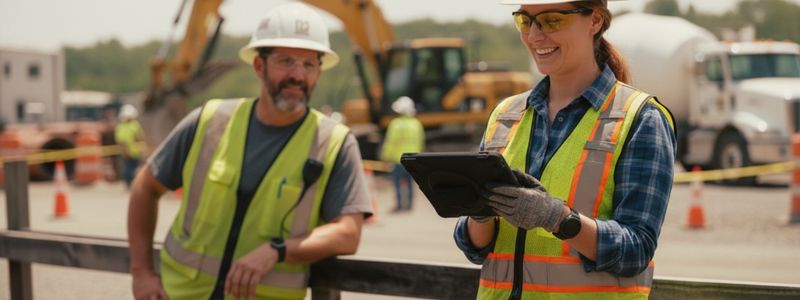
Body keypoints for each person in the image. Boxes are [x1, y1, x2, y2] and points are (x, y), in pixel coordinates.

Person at [127, 3, 372, 300]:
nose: (298, 75)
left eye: (309, 65)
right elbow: (145, 187)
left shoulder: (334, 142)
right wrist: (141, 273)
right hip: (181, 294)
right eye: (286, 61)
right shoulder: (209, 121)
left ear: (319, 72)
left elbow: (347, 233)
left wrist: (278, 250)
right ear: (259, 65)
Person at [452, 0, 676, 299]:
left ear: (595, 21)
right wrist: (479, 213)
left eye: (551, 20)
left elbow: (635, 250)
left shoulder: (641, 119)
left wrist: (558, 219)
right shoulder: (505, 115)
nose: (534, 35)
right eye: (524, 21)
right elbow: (477, 249)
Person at [380, 96, 425, 212]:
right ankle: (409, 205)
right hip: (413, 160)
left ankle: (400, 205)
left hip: (398, 160)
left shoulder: (396, 124)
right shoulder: (417, 124)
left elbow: (390, 142)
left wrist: (385, 156)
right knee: (410, 183)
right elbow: (420, 142)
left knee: (397, 184)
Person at [115, 104, 145, 187]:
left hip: (135, 152)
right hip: (129, 152)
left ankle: (133, 183)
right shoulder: (123, 126)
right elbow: (121, 141)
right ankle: (130, 184)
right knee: (129, 170)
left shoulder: (133, 125)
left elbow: (140, 138)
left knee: (134, 169)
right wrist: (125, 151)